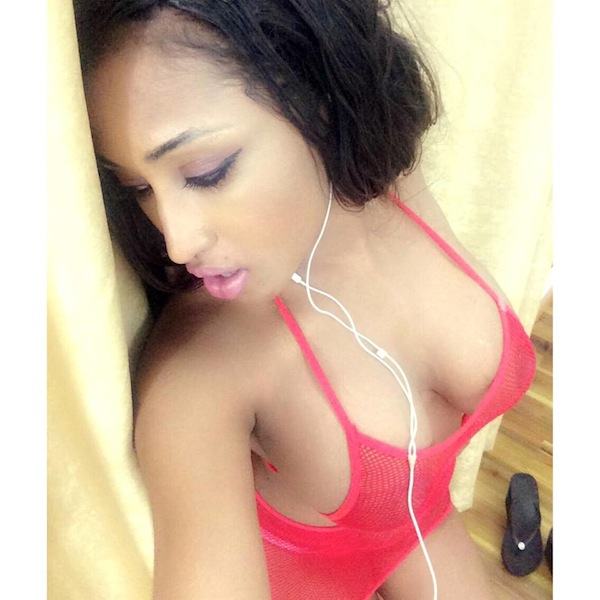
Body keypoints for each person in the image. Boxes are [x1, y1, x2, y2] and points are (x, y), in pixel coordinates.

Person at [74, 1, 537, 598]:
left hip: (421, 523)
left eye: (207, 171)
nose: (177, 240)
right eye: (138, 188)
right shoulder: (199, 375)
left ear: (316, 97)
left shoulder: (393, 188)